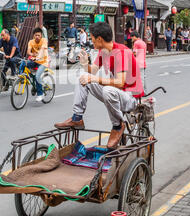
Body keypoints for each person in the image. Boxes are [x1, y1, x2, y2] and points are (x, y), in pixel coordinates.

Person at [54, 22, 144, 150]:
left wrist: (94, 78)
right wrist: (85, 64)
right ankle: (77, 118)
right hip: (116, 93)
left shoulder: (121, 52)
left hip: (130, 96)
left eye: (92, 38)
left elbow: (120, 82)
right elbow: (92, 71)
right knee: (83, 78)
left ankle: (118, 125)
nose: (92, 41)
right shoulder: (103, 52)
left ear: (100, 39)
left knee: (107, 90)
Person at [20, 27, 48, 102]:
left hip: (43, 62)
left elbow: (42, 50)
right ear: (33, 36)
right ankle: (21, 77)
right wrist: (32, 54)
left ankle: (40, 94)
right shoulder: (31, 42)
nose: (37, 37)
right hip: (34, 60)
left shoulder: (44, 41)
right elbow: (28, 51)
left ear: (41, 35)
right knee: (23, 62)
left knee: (37, 76)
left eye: (39, 35)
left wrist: (38, 56)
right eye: (36, 35)